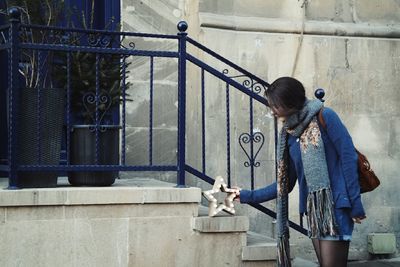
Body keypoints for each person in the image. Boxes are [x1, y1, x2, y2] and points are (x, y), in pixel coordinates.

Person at [234, 77, 366, 267]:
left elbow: (348, 159)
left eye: (275, 105)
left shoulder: (325, 116)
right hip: (314, 213)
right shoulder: (290, 133)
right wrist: (246, 195)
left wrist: (356, 204)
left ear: (290, 103)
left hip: (335, 207)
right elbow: (285, 184)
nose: (272, 110)